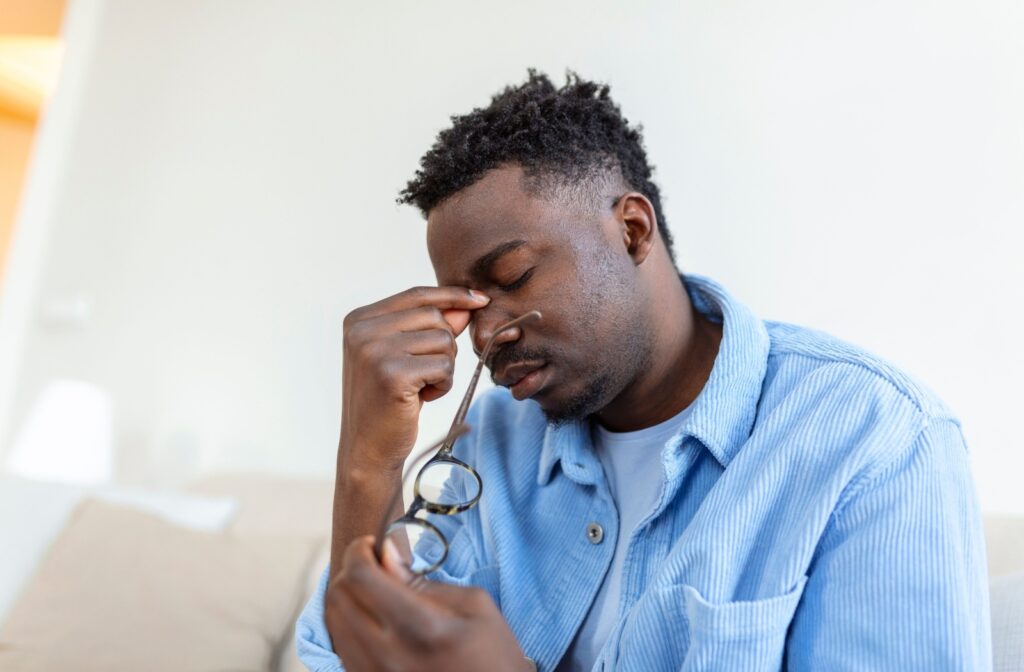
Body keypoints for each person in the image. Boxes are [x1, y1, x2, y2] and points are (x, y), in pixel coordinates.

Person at [295, 71, 991, 671]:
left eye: (513, 275)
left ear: (631, 231)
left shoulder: (877, 442)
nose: (485, 335)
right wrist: (368, 462)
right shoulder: (493, 440)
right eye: (465, 308)